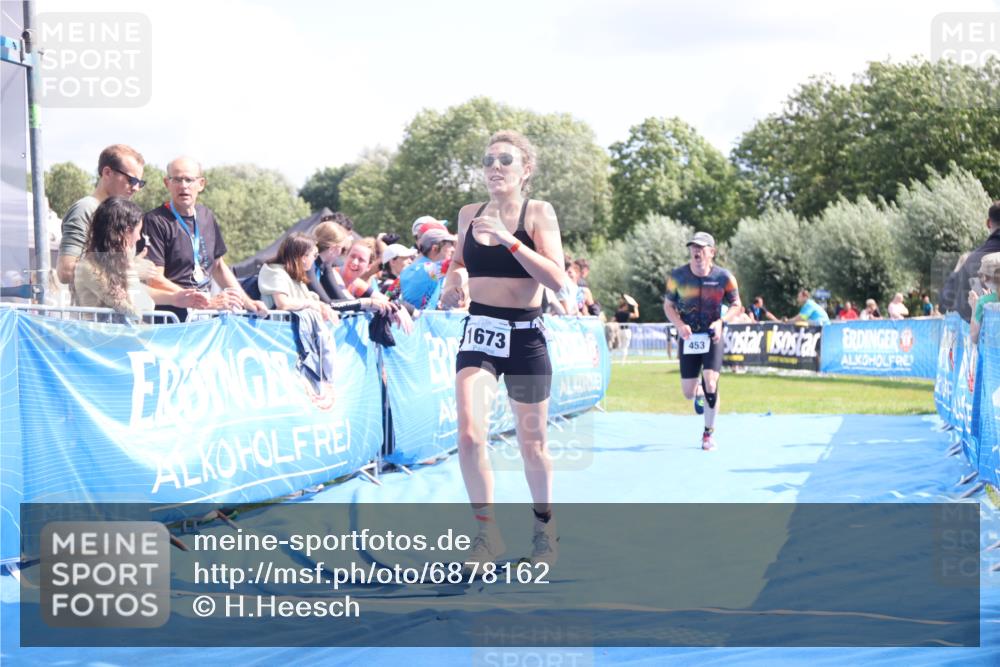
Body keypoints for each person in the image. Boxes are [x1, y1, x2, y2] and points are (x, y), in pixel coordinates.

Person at [438, 130, 566, 569]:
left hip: (526, 336)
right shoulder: (468, 213)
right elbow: (457, 263)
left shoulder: (539, 213)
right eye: (489, 159)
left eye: (505, 160)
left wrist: (509, 240)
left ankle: (544, 527)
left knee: (533, 445)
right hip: (481, 332)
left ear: (524, 170)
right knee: (471, 435)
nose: (495, 167)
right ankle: (486, 533)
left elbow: (557, 280)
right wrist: (454, 283)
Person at [143, 156, 268, 321]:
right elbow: (155, 280)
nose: (183, 186)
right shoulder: (155, 220)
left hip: (203, 317)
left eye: (189, 179)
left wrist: (247, 301)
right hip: (171, 320)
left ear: (201, 184)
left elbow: (218, 267)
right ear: (167, 183)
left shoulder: (206, 216)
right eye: (177, 179)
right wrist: (203, 301)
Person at [663, 231, 743, 451]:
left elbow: (738, 306)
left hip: (712, 336)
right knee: (688, 392)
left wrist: (721, 322)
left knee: (711, 381)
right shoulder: (678, 276)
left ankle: (708, 434)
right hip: (688, 337)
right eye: (693, 247)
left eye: (701, 248)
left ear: (712, 252)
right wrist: (679, 325)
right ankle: (697, 392)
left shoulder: (724, 277)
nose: (696, 251)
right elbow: (668, 306)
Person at [72, 197, 205, 320]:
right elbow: (132, 309)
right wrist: (131, 268)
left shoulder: (110, 264)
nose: (139, 238)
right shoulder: (89, 267)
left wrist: (174, 299)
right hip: (106, 342)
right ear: (124, 233)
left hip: (121, 340)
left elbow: (138, 290)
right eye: (138, 231)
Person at [57, 144, 146, 286]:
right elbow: (66, 272)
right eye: (131, 180)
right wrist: (128, 270)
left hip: (120, 306)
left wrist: (176, 298)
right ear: (107, 173)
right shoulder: (86, 208)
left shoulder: (124, 214)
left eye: (140, 183)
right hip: (95, 307)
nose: (136, 188)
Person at [258, 232, 337, 321]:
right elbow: (283, 304)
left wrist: (322, 306)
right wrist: (310, 303)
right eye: (315, 255)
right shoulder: (275, 272)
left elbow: (308, 300)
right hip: (275, 331)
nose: (315, 259)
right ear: (303, 257)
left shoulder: (294, 275)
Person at [942, 201, 1000, 322]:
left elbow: (946, 302)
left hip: (984, 335)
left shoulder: (971, 260)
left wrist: (957, 270)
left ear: (989, 223)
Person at [400, 227, 456, 309]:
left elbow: (390, 294)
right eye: (450, 245)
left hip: (409, 318)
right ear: (435, 248)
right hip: (422, 320)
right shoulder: (431, 269)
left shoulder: (406, 269)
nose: (453, 249)